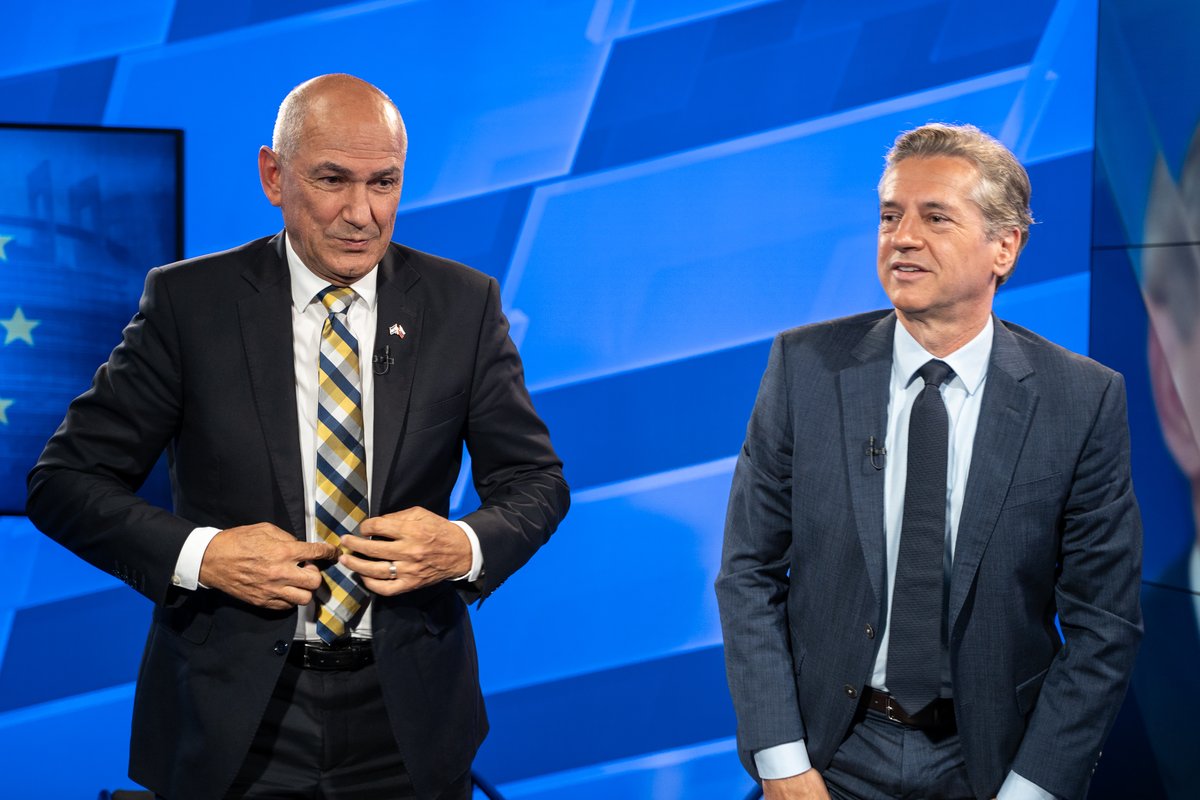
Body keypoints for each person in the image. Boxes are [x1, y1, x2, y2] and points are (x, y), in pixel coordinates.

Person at [26, 73, 569, 800]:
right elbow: (64, 482)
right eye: (333, 180)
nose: (362, 214)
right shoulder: (191, 304)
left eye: (384, 183)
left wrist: (462, 546)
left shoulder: (462, 305)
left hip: (407, 713)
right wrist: (205, 556)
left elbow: (535, 482)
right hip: (232, 715)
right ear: (274, 176)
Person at [715, 123, 1142, 800]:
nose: (903, 237)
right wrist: (782, 763)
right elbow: (749, 572)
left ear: (1004, 246)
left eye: (935, 217)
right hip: (829, 753)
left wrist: (1031, 791)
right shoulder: (805, 368)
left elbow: (1103, 623)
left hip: (990, 765)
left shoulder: (1081, 399)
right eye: (891, 216)